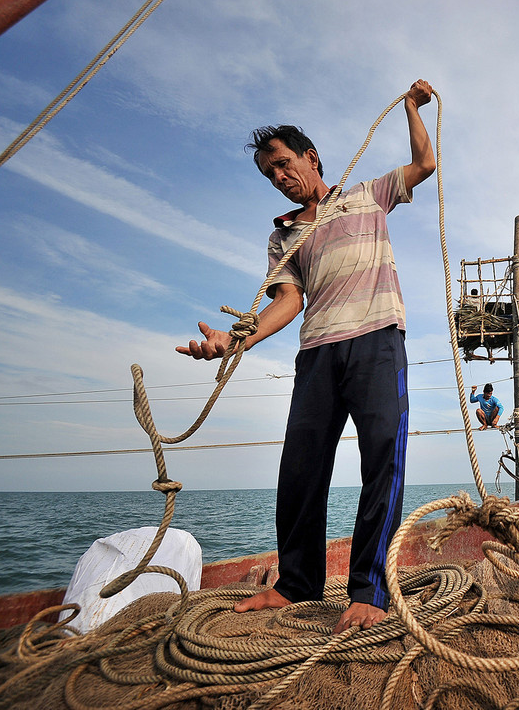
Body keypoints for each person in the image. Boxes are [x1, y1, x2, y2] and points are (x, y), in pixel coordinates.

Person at [176, 79, 436, 635]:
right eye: (269, 174)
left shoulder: (368, 194)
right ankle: (296, 583)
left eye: (284, 163)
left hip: (376, 340)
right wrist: (233, 340)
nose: (278, 178)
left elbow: (424, 162)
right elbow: (289, 301)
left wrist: (412, 109)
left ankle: (368, 590)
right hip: (317, 352)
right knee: (300, 468)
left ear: (310, 157)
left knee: (382, 458)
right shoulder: (284, 237)